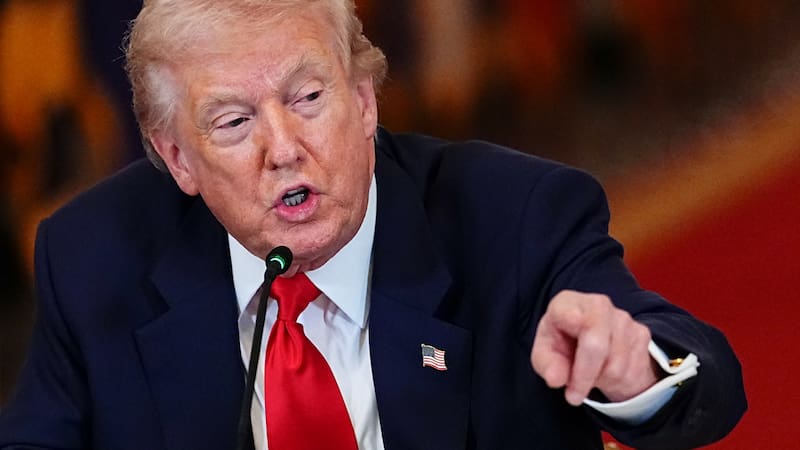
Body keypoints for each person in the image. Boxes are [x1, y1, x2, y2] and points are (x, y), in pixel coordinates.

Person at [0, 1, 745, 449]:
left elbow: (708, 382)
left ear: (364, 100)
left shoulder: (512, 214)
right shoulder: (95, 257)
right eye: (232, 122)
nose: (283, 148)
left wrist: (636, 371)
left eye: (308, 97)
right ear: (176, 159)